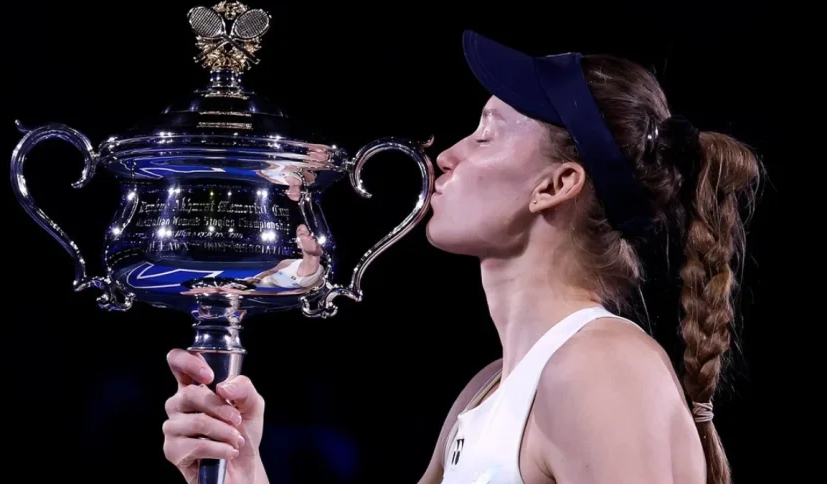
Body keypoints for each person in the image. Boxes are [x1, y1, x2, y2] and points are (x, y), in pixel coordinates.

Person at [161, 30, 760, 484]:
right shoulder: (489, 390)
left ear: (556, 185)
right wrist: (244, 468)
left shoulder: (601, 369)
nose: (447, 156)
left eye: (486, 134)